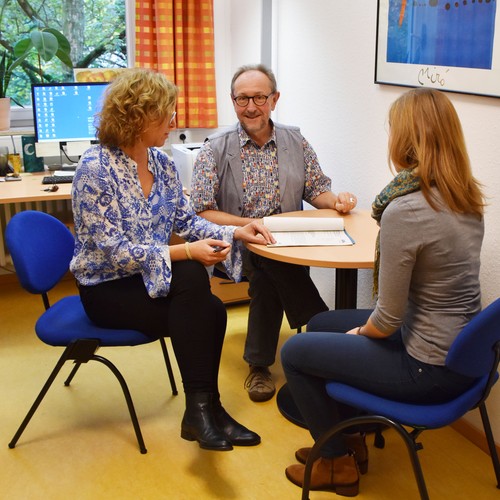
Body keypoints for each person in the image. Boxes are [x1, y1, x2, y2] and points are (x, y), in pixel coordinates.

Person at [281, 87, 485, 496]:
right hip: (461, 352)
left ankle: (336, 464)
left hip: (427, 367)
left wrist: (363, 335)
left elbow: (388, 317)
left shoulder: (407, 209)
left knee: (295, 352)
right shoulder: (465, 194)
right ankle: (349, 437)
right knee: (322, 322)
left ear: (406, 140)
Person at [70, 68, 276, 452]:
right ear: (138, 116)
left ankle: (204, 410)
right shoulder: (95, 169)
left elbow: (186, 220)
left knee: (209, 309)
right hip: (107, 289)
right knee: (197, 291)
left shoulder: (162, 164)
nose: (173, 121)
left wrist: (238, 231)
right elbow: (115, 251)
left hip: (153, 279)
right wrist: (184, 251)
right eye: (166, 112)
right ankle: (204, 411)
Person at [190, 63, 358, 402]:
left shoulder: (295, 140)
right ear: (232, 100)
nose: (250, 106)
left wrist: (337, 201)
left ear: (274, 98)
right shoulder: (215, 148)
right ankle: (326, 329)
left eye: (259, 97)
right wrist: (249, 226)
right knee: (267, 269)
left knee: (271, 271)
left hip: (287, 243)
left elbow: (317, 190)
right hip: (236, 243)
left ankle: (260, 364)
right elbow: (201, 209)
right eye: (242, 99)